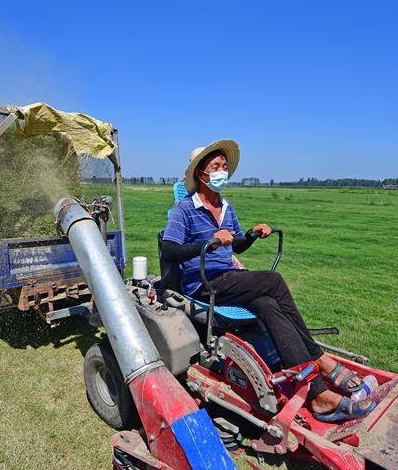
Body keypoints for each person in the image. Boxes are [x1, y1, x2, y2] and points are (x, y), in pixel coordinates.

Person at [161, 140, 376, 422]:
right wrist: (209, 243)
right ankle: (319, 358)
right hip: (203, 283)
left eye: (224, 167)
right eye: (215, 167)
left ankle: (318, 396)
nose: (221, 172)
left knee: (267, 305)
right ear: (200, 173)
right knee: (273, 282)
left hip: (229, 278)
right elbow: (169, 250)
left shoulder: (226, 207)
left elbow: (235, 247)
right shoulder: (184, 209)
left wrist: (250, 234)